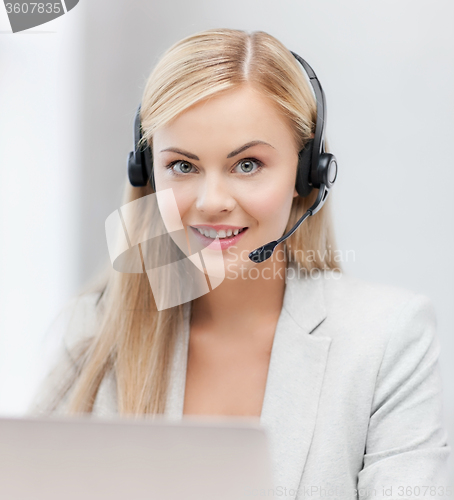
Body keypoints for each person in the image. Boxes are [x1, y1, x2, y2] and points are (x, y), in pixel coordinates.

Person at [30, 28, 450, 498]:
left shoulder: (387, 341)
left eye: (247, 164)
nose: (211, 203)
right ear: (147, 175)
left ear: (306, 175)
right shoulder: (91, 334)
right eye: (183, 166)